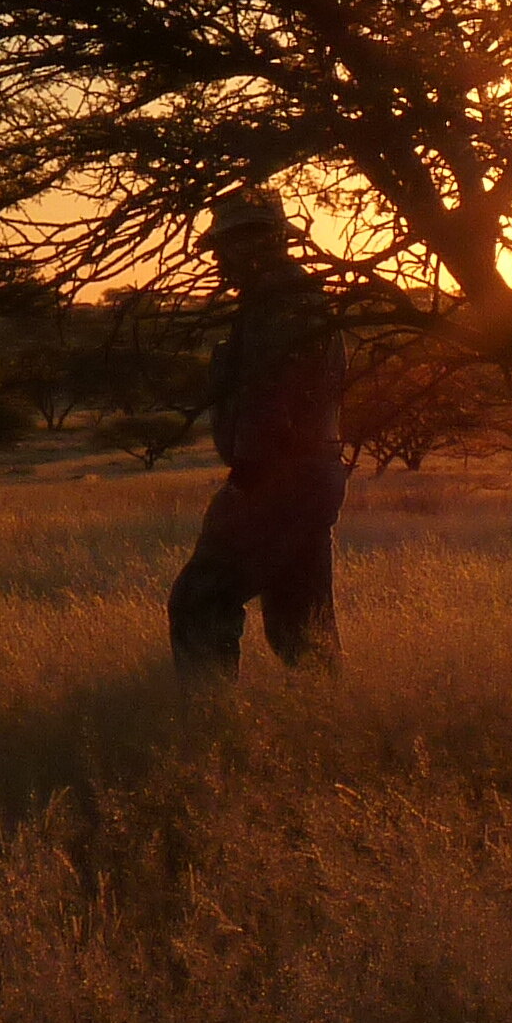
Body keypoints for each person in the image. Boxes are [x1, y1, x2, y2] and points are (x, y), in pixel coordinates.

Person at [168, 189, 347, 676]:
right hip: (306, 476)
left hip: (277, 478)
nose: (222, 258)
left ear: (260, 240)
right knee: (300, 621)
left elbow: (272, 396)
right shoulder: (288, 298)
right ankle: (326, 725)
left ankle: (209, 723)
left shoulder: (281, 304)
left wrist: (249, 479)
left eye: (228, 244)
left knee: (201, 599)